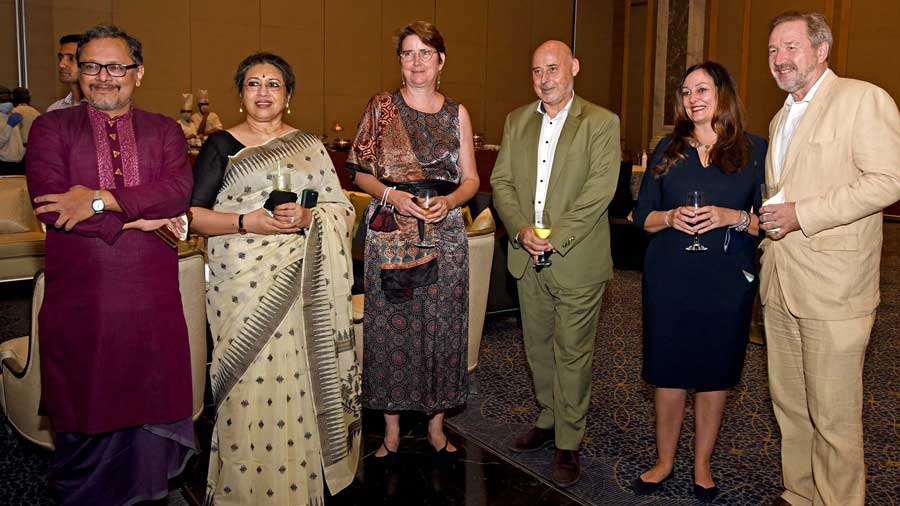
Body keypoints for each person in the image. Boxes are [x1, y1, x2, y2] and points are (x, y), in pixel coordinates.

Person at [26, 25, 195, 505]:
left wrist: (100, 200)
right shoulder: (50, 128)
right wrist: (139, 220)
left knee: (149, 396)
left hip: (150, 300)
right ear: (77, 74)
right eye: (92, 67)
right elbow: (52, 206)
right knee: (85, 399)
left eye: (116, 67)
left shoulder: (164, 130)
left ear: (137, 74)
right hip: (83, 301)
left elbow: (178, 192)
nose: (104, 77)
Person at [189, 52, 361, 506]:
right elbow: (196, 218)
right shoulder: (221, 145)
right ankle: (243, 492)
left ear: (288, 96)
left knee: (299, 381)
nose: (263, 92)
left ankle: (297, 486)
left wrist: (310, 217)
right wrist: (249, 222)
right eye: (253, 83)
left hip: (303, 285)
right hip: (244, 288)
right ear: (241, 93)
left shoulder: (310, 145)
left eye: (273, 84)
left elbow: (341, 210)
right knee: (244, 389)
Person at [759, 12, 900, 506]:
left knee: (835, 418)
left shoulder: (862, 99)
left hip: (835, 287)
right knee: (791, 407)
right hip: (781, 280)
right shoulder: (781, 116)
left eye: (791, 47)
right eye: (774, 51)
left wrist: (804, 214)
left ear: (821, 50)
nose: (780, 59)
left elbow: (888, 180)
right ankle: (799, 493)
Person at [630, 61, 766, 503]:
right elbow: (641, 216)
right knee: (667, 370)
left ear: (723, 94)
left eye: (702, 89)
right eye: (686, 92)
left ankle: (702, 465)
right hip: (670, 274)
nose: (693, 99)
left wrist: (734, 217)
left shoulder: (754, 151)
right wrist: (669, 217)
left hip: (726, 278)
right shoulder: (668, 149)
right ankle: (665, 460)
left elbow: (768, 222)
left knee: (714, 374)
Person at [346, 20, 479, 459]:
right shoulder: (381, 108)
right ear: (399, 63)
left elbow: (472, 179)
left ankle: (437, 426)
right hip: (391, 233)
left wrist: (454, 201)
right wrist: (390, 195)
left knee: (443, 327)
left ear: (442, 61)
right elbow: (360, 172)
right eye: (408, 53)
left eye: (425, 53)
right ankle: (391, 430)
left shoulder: (457, 112)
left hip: (445, 233)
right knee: (390, 329)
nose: (417, 61)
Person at [490, 40, 619, 487]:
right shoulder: (516, 121)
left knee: (572, 352)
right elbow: (501, 181)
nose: (545, 79)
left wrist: (554, 238)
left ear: (574, 69)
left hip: (576, 259)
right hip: (527, 256)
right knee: (537, 347)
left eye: (553, 69)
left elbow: (599, 191)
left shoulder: (601, 122)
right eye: (537, 71)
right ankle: (548, 418)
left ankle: (569, 440)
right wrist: (522, 227)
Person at [47, 33, 83, 112]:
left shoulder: (102, 110)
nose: (61, 64)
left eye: (70, 58)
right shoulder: (54, 110)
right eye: (60, 58)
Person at [0, 85, 25, 174]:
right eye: (3, 100)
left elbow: (16, 139)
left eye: (8, 100)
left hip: (19, 164)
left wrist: (23, 150)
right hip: (4, 166)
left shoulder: (11, 114)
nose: (7, 103)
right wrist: (9, 126)